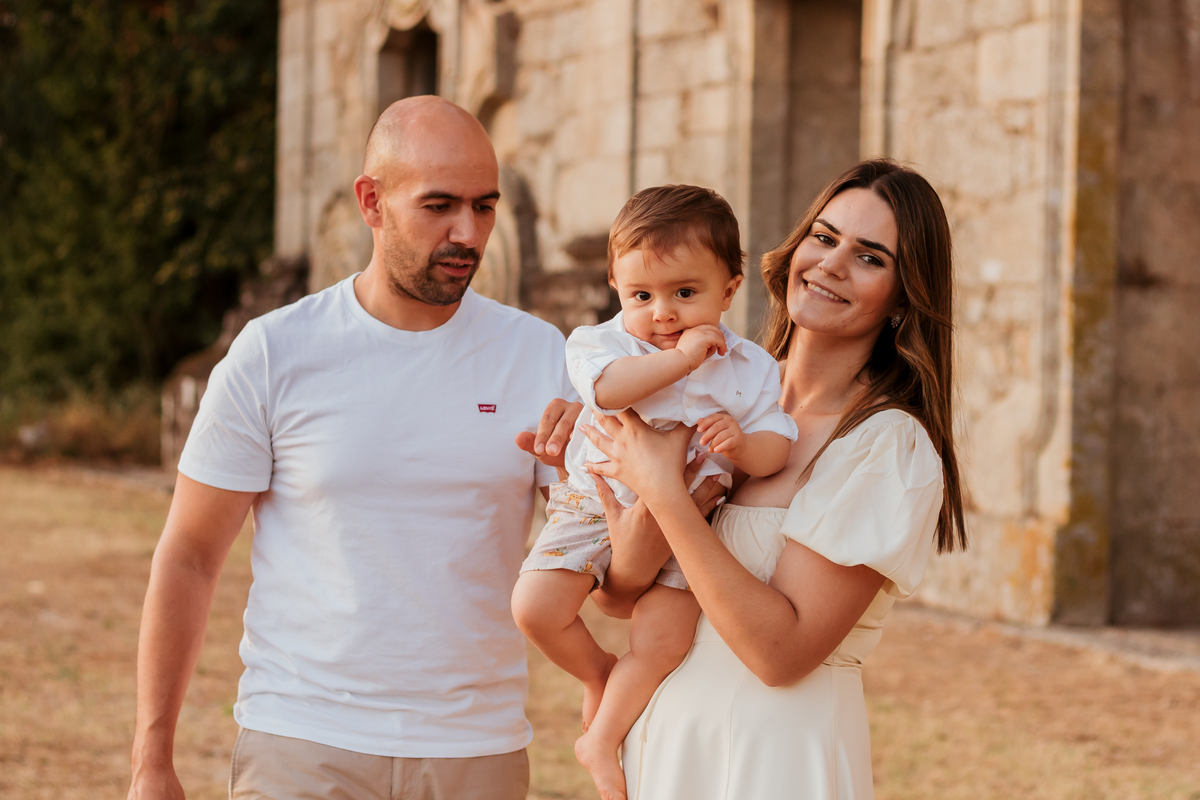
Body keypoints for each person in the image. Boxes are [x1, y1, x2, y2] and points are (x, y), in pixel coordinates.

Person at [126, 96, 583, 800]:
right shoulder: (275, 351)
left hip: (474, 750)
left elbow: (598, 565)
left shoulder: (539, 354)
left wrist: (614, 486)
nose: (468, 233)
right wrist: (150, 760)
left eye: (485, 206)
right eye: (440, 206)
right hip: (301, 743)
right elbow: (188, 556)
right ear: (372, 202)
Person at [581, 159, 968, 800]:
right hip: (664, 743)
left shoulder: (886, 444)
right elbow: (618, 600)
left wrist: (666, 494)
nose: (831, 265)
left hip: (773, 755)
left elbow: (780, 655)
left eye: (869, 257)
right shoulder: (700, 388)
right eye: (824, 237)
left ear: (904, 296)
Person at [510, 185, 798, 797]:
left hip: (693, 523)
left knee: (663, 642)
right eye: (641, 295)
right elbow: (608, 391)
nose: (662, 313)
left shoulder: (752, 367)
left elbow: (778, 444)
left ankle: (601, 738)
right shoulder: (600, 344)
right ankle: (596, 674)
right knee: (534, 609)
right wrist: (683, 360)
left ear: (729, 289)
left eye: (685, 293)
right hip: (594, 502)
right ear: (616, 286)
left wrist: (743, 446)